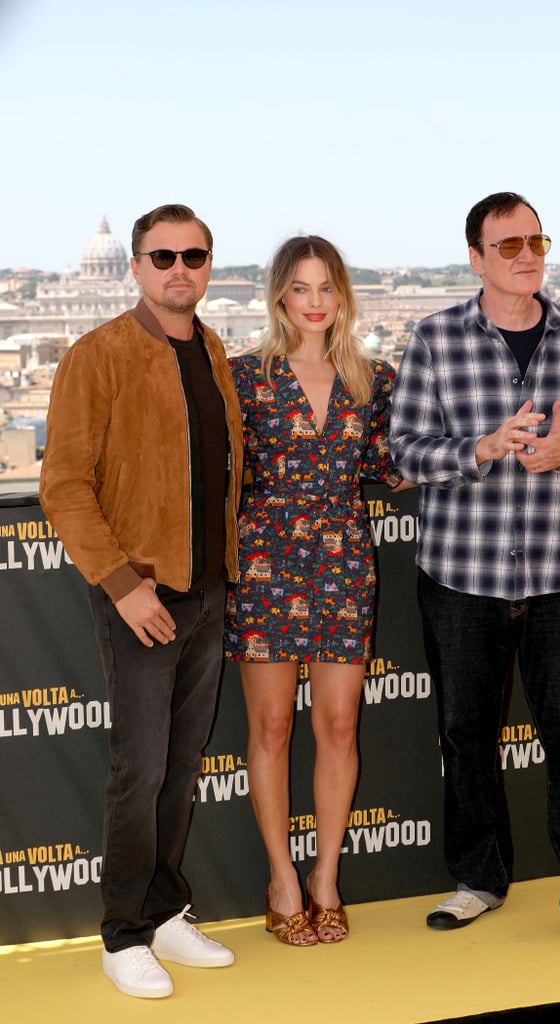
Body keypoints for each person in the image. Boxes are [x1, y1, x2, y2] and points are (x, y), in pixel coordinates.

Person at [389, 192, 560, 954]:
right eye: (507, 244)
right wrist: (480, 448)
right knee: (465, 737)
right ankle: (477, 880)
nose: (526, 253)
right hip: (460, 575)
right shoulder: (433, 337)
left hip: (558, 575)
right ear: (475, 258)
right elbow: (405, 451)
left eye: (534, 239)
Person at [40, 204, 244, 998]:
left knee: (182, 764)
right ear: (134, 266)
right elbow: (62, 485)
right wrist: (123, 586)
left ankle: (162, 913)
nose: (179, 269)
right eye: (163, 257)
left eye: (194, 255)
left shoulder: (213, 348)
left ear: (207, 264)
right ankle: (122, 932)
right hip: (144, 592)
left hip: (207, 590)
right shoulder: (98, 355)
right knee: (142, 768)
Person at [225, 235, 411, 946]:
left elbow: (393, 468)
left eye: (325, 288)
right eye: (300, 288)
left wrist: (484, 448)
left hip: (341, 563)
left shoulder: (374, 379)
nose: (313, 302)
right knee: (270, 728)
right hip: (266, 562)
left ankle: (325, 877)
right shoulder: (243, 378)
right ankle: (280, 878)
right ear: (279, 295)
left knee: (338, 727)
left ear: (344, 297)